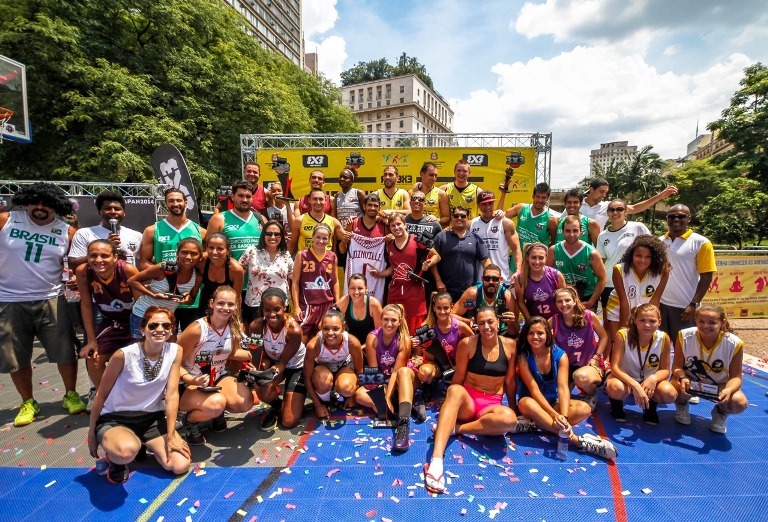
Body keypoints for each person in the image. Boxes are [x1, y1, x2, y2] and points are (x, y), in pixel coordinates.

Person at [0, 182, 86, 426]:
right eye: (35, 202)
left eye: (46, 203)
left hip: (51, 297)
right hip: (9, 298)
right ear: (26, 201)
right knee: (15, 356)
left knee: (64, 350)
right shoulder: (6, 220)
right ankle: (28, 401)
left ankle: (70, 394)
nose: (39, 207)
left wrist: (74, 278)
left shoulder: (66, 231)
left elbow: (74, 264)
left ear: (56, 207)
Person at [87, 306, 190, 483]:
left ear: (172, 329)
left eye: (166, 326)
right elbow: (101, 394)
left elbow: (172, 394)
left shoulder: (175, 351)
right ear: (142, 329)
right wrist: (91, 432)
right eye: (153, 325)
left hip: (151, 419)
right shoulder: (124, 355)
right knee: (126, 451)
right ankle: (117, 460)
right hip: (116, 418)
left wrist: (172, 434)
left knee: (180, 465)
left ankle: (141, 443)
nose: (160, 329)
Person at [424, 307, 519, 494]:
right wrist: (449, 404)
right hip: (469, 401)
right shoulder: (467, 344)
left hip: (491, 405)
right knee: (454, 389)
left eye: (490, 322)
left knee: (510, 419)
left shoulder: (510, 346)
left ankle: (457, 429)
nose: (486, 326)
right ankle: (436, 460)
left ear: (498, 322)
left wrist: (514, 409)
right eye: (481, 323)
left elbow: (510, 381)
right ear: (476, 325)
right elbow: (459, 376)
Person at [516, 317, 618, 459]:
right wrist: (554, 415)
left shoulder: (560, 355)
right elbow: (534, 390)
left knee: (584, 408)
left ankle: (535, 424)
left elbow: (563, 388)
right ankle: (578, 440)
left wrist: (563, 416)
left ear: (548, 334)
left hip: (553, 403)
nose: (535, 337)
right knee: (526, 403)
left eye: (540, 333)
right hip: (532, 403)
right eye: (531, 333)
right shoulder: (523, 357)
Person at [177, 286, 254, 445]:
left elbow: (231, 353)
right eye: (221, 303)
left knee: (244, 401)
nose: (225, 308)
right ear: (211, 303)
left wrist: (256, 353)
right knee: (217, 404)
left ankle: (215, 412)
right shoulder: (197, 329)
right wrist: (190, 379)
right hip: (190, 382)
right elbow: (172, 362)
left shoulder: (234, 326)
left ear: (236, 306)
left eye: (230, 304)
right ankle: (190, 421)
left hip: (217, 377)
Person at [77, 240, 138, 409]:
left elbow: (142, 304)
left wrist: (140, 337)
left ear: (115, 257)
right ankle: (107, 399)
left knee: (135, 359)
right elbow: (86, 305)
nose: (98, 260)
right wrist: (91, 340)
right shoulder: (83, 271)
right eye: (93, 255)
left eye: (104, 255)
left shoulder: (127, 270)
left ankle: (139, 398)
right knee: (94, 358)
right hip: (111, 322)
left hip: (134, 321)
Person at [671, 305, 748, 434]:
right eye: (701, 321)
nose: (706, 326)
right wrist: (683, 377)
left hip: (718, 385)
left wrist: (728, 390)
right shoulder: (684, 336)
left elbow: (736, 377)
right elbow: (677, 366)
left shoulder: (734, 343)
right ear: (695, 320)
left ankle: (721, 412)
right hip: (691, 382)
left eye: (712, 322)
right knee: (670, 390)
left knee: (739, 402)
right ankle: (682, 404)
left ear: (722, 322)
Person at [139, 187, 205, 330]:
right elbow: (143, 261)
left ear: (186, 203)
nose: (175, 204)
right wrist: (164, 277)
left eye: (179, 200)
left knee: (192, 338)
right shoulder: (152, 230)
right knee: (165, 338)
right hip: (164, 298)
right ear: (166, 203)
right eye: (171, 201)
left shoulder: (201, 231)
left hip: (190, 299)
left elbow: (204, 264)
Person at [356, 304, 416, 451]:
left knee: (404, 372)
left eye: (393, 320)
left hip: (400, 381)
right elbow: (375, 371)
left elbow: (396, 372)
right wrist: (380, 395)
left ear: (400, 322)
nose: (389, 324)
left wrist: (387, 398)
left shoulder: (404, 340)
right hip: (384, 380)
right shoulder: (372, 337)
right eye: (386, 319)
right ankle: (396, 408)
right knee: (359, 395)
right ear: (381, 320)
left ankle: (403, 423)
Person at [207, 180, 267, 324]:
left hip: (255, 285)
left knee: (254, 327)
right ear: (232, 197)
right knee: (228, 325)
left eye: (248, 196)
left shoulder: (261, 220)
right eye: (240, 196)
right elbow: (209, 249)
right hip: (228, 283)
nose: (244, 200)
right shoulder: (219, 219)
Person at [247, 288, 306, 431]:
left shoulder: (293, 330)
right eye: (267, 310)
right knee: (261, 384)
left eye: (277, 309)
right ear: (262, 310)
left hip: (296, 367)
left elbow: (282, 364)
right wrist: (255, 370)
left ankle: (292, 400)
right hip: (276, 363)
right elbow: (257, 355)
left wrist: (265, 374)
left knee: (288, 421)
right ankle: (277, 406)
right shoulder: (256, 326)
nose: (272, 314)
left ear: (284, 308)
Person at [606, 304, 676, 424]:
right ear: (635, 320)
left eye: (652, 321)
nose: (647, 324)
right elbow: (615, 367)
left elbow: (665, 370)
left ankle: (650, 407)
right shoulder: (622, 335)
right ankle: (616, 404)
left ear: (659, 322)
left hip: (648, 380)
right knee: (616, 388)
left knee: (669, 394)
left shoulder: (664, 338)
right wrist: (635, 385)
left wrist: (653, 379)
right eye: (642, 320)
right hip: (625, 379)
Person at [659, 204, 717, 344]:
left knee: (685, 347)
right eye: (672, 216)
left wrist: (693, 304)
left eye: (681, 216)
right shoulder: (659, 241)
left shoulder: (701, 243)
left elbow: (706, 276)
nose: (676, 219)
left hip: (685, 307)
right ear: (667, 219)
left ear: (689, 218)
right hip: (661, 304)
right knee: (661, 345)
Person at [373, 214, 437, 334]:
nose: (396, 227)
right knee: (394, 328)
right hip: (396, 292)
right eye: (393, 225)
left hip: (415, 292)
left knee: (416, 331)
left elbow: (436, 255)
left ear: (405, 224)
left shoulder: (419, 239)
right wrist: (379, 273)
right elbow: (393, 268)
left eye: (399, 224)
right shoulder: (389, 245)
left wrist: (429, 263)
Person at [128, 238, 203, 340]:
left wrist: (186, 299)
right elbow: (132, 281)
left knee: (170, 347)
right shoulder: (165, 267)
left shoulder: (197, 276)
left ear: (200, 257)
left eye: (194, 254)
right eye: (184, 252)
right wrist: (153, 294)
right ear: (177, 253)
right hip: (143, 315)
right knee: (141, 348)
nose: (188, 257)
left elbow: (191, 300)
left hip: (167, 317)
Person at [549, 287, 609, 411]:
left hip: (588, 364)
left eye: (567, 300)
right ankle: (569, 382)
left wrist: (596, 357)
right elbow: (538, 330)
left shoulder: (589, 316)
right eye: (559, 301)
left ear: (575, 300)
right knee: (553, 396)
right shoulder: (554, 320)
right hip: (566, 366)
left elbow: (604, 337)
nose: (564, 304)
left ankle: (590, 394)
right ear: (555, 304)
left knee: (581, 377)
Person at [604, 235, 670, 343]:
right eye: (638, 255)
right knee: (618, 342)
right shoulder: (619, 269)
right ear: (632, 255)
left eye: (648, 257)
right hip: (618, 309)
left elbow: (655, 301)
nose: (643, 260)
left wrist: (649, 321)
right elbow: (624, 300)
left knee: (642, 343)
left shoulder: (662, 271)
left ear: (654, 257)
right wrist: (623, 329)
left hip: (645, 312)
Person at [304, 309, 364, 419]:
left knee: (347, 387)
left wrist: (352, 395)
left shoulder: (352, 342)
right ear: (321, 328)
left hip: (343, 367)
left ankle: (343, 393)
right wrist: (318, 406)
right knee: (323, 380)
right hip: (322, 370)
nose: (330, 333)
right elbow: (307, 378)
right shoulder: (313, 346)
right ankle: (326, 401)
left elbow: (360, 370)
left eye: (335, 329)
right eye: (326, 328)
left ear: (343, 328)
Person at [596, 199, 651, 310]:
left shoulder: (638, 227)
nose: (615, 212)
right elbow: (602, 262)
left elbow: (652, 250)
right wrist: (599, 285)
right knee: (609, 318)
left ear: (626, 212)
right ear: (608, 213)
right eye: (611, 210)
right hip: (610, 283)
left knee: (635, 315)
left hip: (633, 281)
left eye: (619, 209)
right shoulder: (602, 236)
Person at [412, 292, 474, 386]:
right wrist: (414, 344)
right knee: (424, 373)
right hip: (438, 366)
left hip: (459, 366)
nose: (442, 312)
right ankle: (431, 386)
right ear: (434, 308)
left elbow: (475, 343)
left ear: (451, 307)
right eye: (439, 308)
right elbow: (425, 355)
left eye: (445, 308)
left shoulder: (460, 326)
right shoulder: (427, 327)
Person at [68, 191, 143, 268]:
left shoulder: (136, 235)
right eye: (108, 208)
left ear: (124, 212)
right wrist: (105, 247)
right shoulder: (84, 233)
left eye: (117, 209)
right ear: (99, 212)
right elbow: (72, 264)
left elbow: (146, 261)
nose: (113, 212)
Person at [292, 224, 340, 344]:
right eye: (318, 237)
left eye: (324, 238)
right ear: (312, 237)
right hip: (308, 305)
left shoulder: (332, 256)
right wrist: (296, 307)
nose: (321, 241)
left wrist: (337, 304)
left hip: (327, 304)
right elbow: (295, 282)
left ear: (329, 239)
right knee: (300, 340)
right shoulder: (302, 255)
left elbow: (335, 282)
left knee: (323, 340)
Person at [431, 206, 489, 303]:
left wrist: (491, 278)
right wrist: (438, 281)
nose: (459, 218)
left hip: (469, 290)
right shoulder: (441, 236)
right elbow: (432, 259)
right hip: (445, 289)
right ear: (452, 217)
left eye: (463, 216)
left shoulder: (475, 238)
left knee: (469, 313)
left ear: (468, 218)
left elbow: (486, 261)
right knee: (446, 313)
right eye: (456, 216)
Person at [548, 215, 606, 310]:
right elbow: (547, 276)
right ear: (562, 231)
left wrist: (591, 302)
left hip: (586, 298)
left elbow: (602, 279)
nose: (571, 234)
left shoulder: (591, 253)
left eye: (575, 230)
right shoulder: (554, 250)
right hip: (562, 298)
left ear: (581, 232)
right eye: (567, 231)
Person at [339, 193, 387, 303]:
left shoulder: (384, 226)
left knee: (373, 305)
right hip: (355, 275)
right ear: (364, 206)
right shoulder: (353, 223)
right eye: (370, 205)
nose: (372, 208)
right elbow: (342, 250)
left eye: (375, 206)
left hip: (375, 278)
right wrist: (344, 241)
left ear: (379, 208)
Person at [239, 220, 293, 318]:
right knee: (255, 328)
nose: (273, 237)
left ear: (282, 236)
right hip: (255, 304)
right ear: (263, 235)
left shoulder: (286, 254)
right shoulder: (251, 251)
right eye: (269, 234)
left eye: (277, 234)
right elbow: (238, 272)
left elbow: (294, 277)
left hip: (279, 306)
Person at [580, 177, 678, 230]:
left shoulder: (608, 207)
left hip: (595, 250)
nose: (604, 195)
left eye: (606, 192)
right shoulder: (576, 205)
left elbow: (635, 208)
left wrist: (660, 196)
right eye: (601, 192)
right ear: (591, 190)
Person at [453, 264, 519, 338]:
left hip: (499, 334)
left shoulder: (507, 297)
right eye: (487, 278)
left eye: (495, 279)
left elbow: (514, 332)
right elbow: (452, 315)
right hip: (475, 333)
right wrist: (468, 322)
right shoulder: (473, 294)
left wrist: (511, 323)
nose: (491, 282)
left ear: (500, 280)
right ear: (482, 279)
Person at [470, 190, 522, 284]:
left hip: (501, 278)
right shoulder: (471, 224)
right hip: (479, 279)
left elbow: (516, 248)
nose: (488, 207)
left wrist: (518, 270)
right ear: (478, 205)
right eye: (484, 204)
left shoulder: (505, 223)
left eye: (490, 203)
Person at [195, 233, 245, 321]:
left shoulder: (235, 269)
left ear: (228, 250)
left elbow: (237, 296)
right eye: (211, 248)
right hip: (205, 304)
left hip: (225, 308)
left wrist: (237, 319)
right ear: (206, 248)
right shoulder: (201, 261)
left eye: (220, 248)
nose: (214, 252)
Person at [405, 189, 443, 303]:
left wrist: (437, 278)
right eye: (414, 199)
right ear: (410, 203)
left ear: (425, 204)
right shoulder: (402, 221)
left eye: (420, 199)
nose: (417, 201)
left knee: (425, 304)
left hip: (426, 272)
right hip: (405, 269)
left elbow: (436, 253)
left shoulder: (434, 224)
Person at [514, 243, 566, 321]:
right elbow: (521, 302)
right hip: (535, 322)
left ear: (546, 258)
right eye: (533, 257)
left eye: (541, 258)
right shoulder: (520, 279)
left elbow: (564, 299)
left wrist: (555, 321)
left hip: (556, 321)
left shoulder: (556, 275)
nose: (537, 262)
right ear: (528, 257)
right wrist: (530, 321)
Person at [501, 182, 557, 251]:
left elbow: (554, 243)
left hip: (536, 257)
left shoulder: (551, 220)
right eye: (538, 196)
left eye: (543, 198)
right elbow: (501, 217)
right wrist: (503, 194)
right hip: (517, 256)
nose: (540, 200)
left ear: (547, 199)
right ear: (533, 196)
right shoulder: (521, 208)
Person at [289, 187, 346, 254]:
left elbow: (347, 239)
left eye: (321, 199)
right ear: (309, 200)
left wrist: (351, 224)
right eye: (315, 199)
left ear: (325, 200)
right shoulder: (299, 220)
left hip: (326, 260)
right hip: (305, 259)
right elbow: (292, 245)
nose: (318, 202)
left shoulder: (333, 221)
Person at [336, 273, 383, 351]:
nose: (356, 292)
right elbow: (324, 322)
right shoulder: (345, 301)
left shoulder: (373, 304)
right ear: (348, 289)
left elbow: (380, 333)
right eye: (353, 288)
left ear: (366, 288)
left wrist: (361, 348)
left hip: (370, 347)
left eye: (360, 288)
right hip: (350, 347)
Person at [411, 162, 450, 227]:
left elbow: (447, 218)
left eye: (435, 176)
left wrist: (436, 219)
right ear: (422, 174)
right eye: (431, 175)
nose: (434, 178)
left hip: (433, 230)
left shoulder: (441, 194)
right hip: (416, 229)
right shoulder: (413, 192)